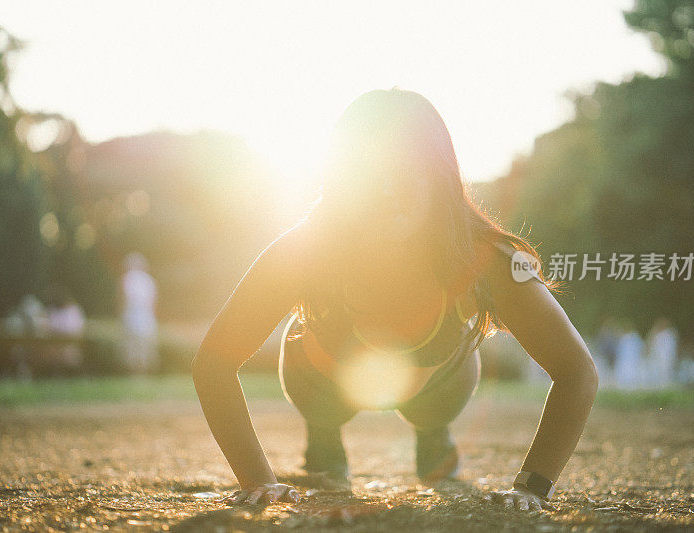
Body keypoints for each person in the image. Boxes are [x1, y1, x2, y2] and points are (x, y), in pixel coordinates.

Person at [192, 88, 598, 512]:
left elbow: (576, 370)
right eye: (366, 176)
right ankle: (323, 435)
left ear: (438, 178)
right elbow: (214, 362)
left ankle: (434, 434)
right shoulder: (302, 248)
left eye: (404, 172)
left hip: (440, 383)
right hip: (320, 377)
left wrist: (533, 487)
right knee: (313, 371)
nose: (385, 192)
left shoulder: (488, 260)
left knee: (437, 400)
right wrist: (257, 481)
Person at [118, 252, 159, 374]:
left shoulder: (126, 279)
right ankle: (144, 374)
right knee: (145, 349)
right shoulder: (150, 280)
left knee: (132, 350)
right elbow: (154, 303)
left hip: (131, 319)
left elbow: (122, 299)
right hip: (148, 320)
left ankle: (135, 374)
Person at [644, 317, 678, 388]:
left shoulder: (666, 335)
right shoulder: (668, 334)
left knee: (664, 373)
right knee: (663, 373)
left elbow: (652, 344)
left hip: (663, 357)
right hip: (663, 357)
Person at [613, 321, 644, 389]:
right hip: (625, 361)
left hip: (632, 361)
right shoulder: (623, 338)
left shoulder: (635, 337)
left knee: (632, 378)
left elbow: (640, 348)